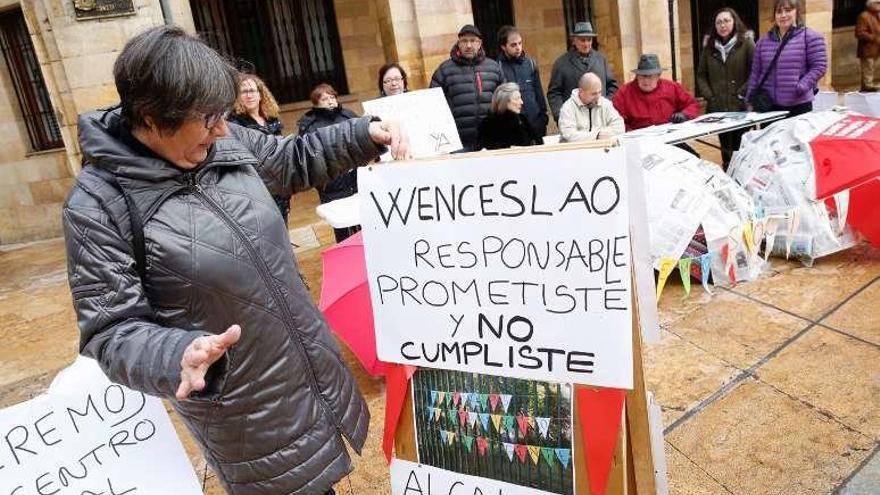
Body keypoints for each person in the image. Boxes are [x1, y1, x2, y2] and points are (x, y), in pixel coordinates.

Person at [63, 26, 406, 495]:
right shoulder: (98, 205)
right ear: (151, 117)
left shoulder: (225, 142)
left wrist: (365, 134)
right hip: (245, 410)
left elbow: (292, 159)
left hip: (309, 373)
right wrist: (175, 354)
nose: (223, 129)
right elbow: (111, 330)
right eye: (207, 118)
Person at [297, 83, 361, 242]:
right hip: (333, 185)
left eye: (332, 97)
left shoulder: (348, 115)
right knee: (342, 229)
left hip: (356, 180)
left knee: (362, 222)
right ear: (316, 103)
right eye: (325, 99)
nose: (330, 101)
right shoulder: (309, 125)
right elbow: (310, 155)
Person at [696, 7, 756, 169]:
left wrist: (742, 93)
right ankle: (729, 176)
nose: (723, 25)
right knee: (726, 149)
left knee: (741, 146)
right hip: (719, 108)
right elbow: (701, 75)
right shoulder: (709, 48)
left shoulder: (747, 43)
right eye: (719, 22)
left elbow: (756, 72)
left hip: (741, 107)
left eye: (726, 21)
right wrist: (710, 97)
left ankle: (743, 176)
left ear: (734, 22)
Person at [746, 0, 828, 118]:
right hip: (769, 105)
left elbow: (819, 66)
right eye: (779, 12)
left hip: (798, 104)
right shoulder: (763, 42)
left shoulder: (810, 37)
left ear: (797, 12)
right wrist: (750, 98)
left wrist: (801, 86)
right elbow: (756, 73)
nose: (783, 15)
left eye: (788, 10)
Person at [430, 24, 505, 152]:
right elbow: (433, 106)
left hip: (491, 141)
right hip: (458, 143)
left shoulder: (494, 68)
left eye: (473, 41)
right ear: (458, 43)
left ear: (480, 43)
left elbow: (505, 102)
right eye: (464, 41)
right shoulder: (444, 70)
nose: (468, 45)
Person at [228, 73, 291, 222]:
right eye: (243, 92)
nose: (249, 95)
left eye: (252, 91)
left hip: (279, 188)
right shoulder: (234, 124)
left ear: (261, 94)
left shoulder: (272, 119)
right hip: (256, 191)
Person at [547, 21, 618, 122]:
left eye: (589, 40)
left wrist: (606, 105)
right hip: (574, 120)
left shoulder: (601, 59)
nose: (586, 44)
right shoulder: (561, 63)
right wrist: (560, 115)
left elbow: (612, 86)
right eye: (582, 40)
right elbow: (554, 93)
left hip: (600, 117)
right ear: (574, 41)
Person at [613, 54, 701, 131]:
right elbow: (615, 121)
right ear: (637, 75)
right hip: (639, 140)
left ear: (658, 76)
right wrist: (629, 132)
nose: (646, 81)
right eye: (642, 76)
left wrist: (685, 114)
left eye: (650, 77)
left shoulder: (672, 87)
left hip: (670, 136)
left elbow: (692, 104)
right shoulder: (624, 93)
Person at [496, 25, 549, 138]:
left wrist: (543, 118)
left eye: (520, 43)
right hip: (513, 128)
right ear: (503, 47)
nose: (518, 48)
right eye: (513, 45)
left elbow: (538, 93)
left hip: (536, 124)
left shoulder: (530, 64)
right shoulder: (497, 68)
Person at [558, 72, 625, 142]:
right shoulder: (568, 108)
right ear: (581, 92)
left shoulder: (605, 103)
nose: (598, 96)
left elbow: (620, 126)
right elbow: (569, 135)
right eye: (594, 94)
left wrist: (602, 133)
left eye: (600, 92)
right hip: (577, 151)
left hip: (602, 149)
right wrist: (596, 135)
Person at [476, 82, 542, 150]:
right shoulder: (488, 125)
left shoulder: (522, 120)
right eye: (517, 99)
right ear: (505, 101)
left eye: (520, 98)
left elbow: (538, 143)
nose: (521, 102)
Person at [856, 0, 880, 92]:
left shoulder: (877, 15)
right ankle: (868, 86)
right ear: (871, 5)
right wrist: (873, 37)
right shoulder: (864, 16)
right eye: (877, 3)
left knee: (871, 68)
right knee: (868, 68)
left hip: (876, 48)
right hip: (868, 48)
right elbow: (859, 32)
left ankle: (867, 86)